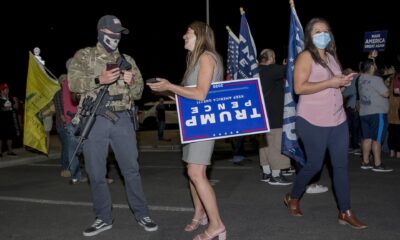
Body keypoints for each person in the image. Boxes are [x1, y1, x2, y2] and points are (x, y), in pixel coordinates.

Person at [68, 15, 158, 236]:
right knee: (96, 172)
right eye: (112, 33)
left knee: (131, 170)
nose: (116, 37)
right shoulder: (85, 55)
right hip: (95, 119)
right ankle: (103, 217)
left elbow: (137, 93)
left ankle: (142, 213)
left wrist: (132, 82)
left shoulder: (127, 59)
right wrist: (99, 79)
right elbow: (72, 85)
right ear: (101, 32)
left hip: (123, 119)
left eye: (119, 34)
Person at [283, 18, 367, 229]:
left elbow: (334, 88)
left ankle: (345, 211)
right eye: (318, 31)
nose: (323, 34)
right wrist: (330, 82)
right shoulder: (305, 57)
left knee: (341, 166)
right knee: (314, 164)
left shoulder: (331, 57)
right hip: (312, 120)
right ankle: (293, 196)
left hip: (337, 120)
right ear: (310, 35)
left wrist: (343, 83)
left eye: (326, 31)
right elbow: (300, 87)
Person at [148, 21, 226, 240]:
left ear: (199, 35)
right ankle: (200, 213)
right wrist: (164, 92)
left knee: (195, 172)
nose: (184, 36)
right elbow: (188, 96)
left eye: (188, 33)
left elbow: (201, 94)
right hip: (192, 122)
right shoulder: (195, 61)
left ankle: (216, 225)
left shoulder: (206, 57)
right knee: (192, 172)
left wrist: (170, 85)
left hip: (203, 123)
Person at [257, 48, 292, 185]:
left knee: (264, 145)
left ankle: (266, 172)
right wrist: (286, 64)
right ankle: (276, 175)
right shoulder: (269, 70)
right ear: (270, 58)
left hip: (261, 116)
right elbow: (288, 69)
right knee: (275, 144)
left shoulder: (256, 71)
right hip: (273, 115)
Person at [358, 59, 392, 172]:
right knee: (377, 139)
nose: (377, 66)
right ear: (372, 67)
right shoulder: (376, 79)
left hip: (364, 113)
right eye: (375, 65)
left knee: (367, 138)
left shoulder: (361, 79)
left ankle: (365, 162)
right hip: (377, 113)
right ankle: (377, 164)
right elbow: (386, 94)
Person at [0, 83, 19, 156]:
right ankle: (0, 152)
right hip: (1, 121)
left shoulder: (11, 98)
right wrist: (5, 109)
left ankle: (10, 151)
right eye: (6, 89)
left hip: (10, 121)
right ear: (1, 91)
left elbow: (16, 108)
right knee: (0, 137)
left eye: (8, 89)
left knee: (10, 136)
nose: (8, 90)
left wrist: (16, 101)